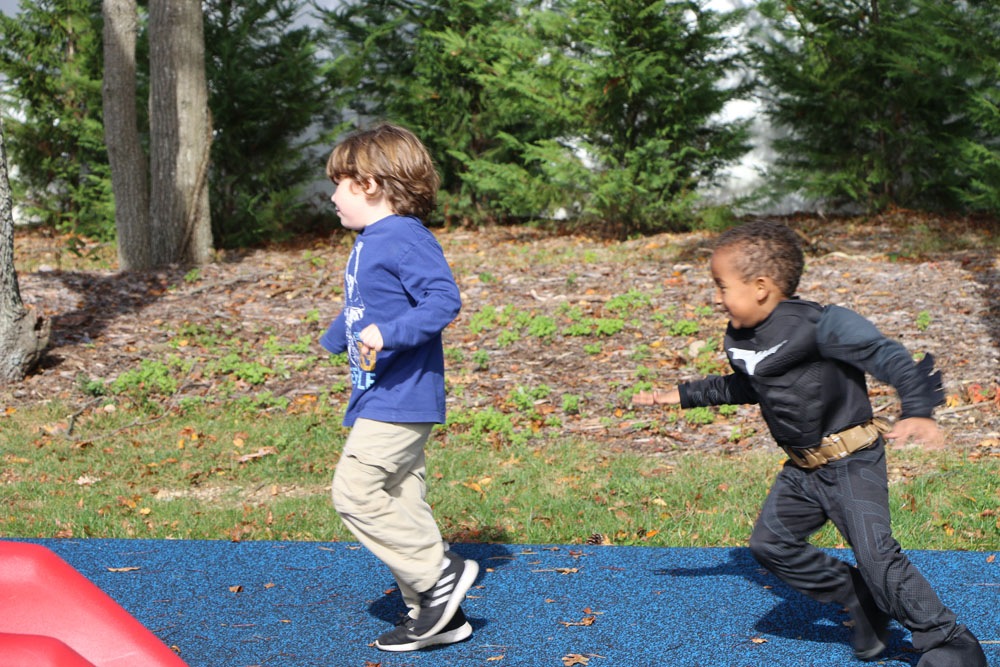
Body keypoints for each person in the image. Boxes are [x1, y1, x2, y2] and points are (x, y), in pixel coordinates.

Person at [633, 220, 987, 666]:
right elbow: (751, 385)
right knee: (770, 544)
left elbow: (887, 355)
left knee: (877, 557)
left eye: (722, 286)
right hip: (802, 470)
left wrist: (917, 408)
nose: (717, 298)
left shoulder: (823, 324)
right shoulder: (740, 337)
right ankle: (858, 596)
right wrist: (683, 395)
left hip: (852, 462)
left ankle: (950, 642)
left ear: (761, 287)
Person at [319, 123, 478, 652]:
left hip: (402, 395)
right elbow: (366, 304)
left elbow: (442, 300)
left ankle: (439, 573)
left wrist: (390, 333)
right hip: (380, 391)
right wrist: (336, 337)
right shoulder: (371, 240)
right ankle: (436, 613)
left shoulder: (404, 237)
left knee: (355, 491)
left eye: (340, 185)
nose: (332, 197)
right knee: (401, 499)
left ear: (370, 184)